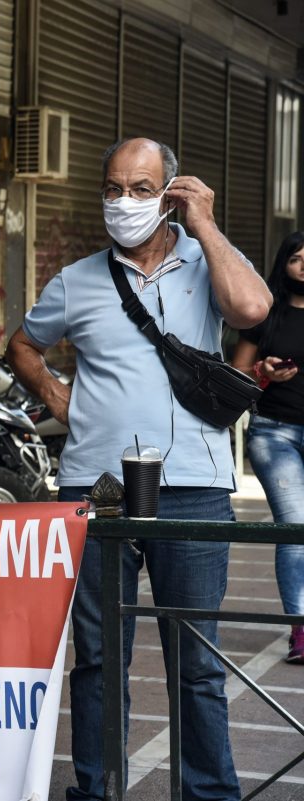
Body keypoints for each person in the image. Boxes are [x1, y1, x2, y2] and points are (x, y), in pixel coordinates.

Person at [5, 137, 271, 801]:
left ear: (170, 194)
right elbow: (24, 344)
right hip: (98, 488)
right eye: (114, 189)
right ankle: (97, 790)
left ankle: (209, 793)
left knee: (197, 658)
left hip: (195, 485)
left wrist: (205, 224)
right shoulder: (77, 280)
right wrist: (55, 395)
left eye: (141, 189)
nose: (124, 202)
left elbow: (252, 310)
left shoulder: (207, 261)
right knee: (98, 656)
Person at [232, 231, 304, 663]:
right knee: (295, 527)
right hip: (275, 433)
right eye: (297, 258)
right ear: (284, 264)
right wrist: (264, 371)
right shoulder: (266, 312)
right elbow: (237, 372)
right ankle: (301, 629)